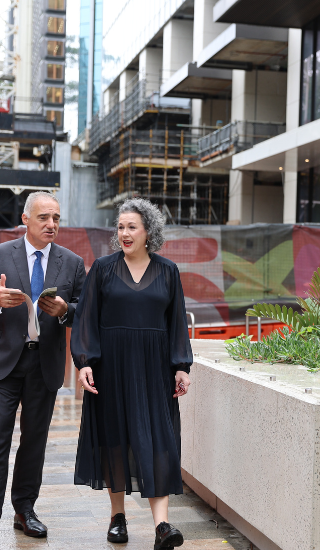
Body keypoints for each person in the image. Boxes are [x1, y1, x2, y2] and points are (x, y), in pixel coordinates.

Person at [71, 198, 192, 550]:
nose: (124, 233)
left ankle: (163, 525)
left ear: (148, 232)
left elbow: (176, 324)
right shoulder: (104, 269)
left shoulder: (168, 271)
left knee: (158, 441)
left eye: (131, 227)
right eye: (120, 227)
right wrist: (85, 362)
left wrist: (181, 366)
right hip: (111, 367)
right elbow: (87, 319)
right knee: (116, 439)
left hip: (154, 370)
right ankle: (118, 517)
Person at [0, 192, 86, 545]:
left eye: (57, 219)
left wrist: (65, 310)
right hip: (4, 365)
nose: (52, 225)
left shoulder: (73, 262)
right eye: (44, 218)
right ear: (26, 219)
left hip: (45, 364)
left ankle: (25, 511)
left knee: (34, 442)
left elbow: (86, 311)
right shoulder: (0, 254)